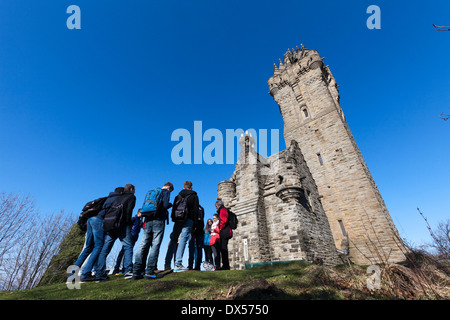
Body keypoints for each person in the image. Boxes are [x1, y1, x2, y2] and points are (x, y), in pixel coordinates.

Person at [73, 187, 124, 282]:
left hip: (90, 220)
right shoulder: (117, 199)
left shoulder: (107, 197)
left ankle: (72, 274)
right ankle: (85, 274)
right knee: (98, 246)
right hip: (99, 221)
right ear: (121, 192)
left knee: (88, 248)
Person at [95, 184, 137, 281]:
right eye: (134, 189)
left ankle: (99, 274)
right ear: (131, 189)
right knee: (128, 246)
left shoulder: (118, 197)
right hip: (122, 225)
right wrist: (128, 223)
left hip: (111, 224)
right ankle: (128, 271)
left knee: (105, 249)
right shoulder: (131, 197)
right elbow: (128, 211)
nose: (135, 191)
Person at [132, 182, 174, 280]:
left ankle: (136, 271)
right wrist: (170, 205)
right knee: (155, 244)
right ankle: (150, 271)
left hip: (148, 220)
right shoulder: (165, 192)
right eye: (171, 190)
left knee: (143, 244)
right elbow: (165, 205)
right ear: (169, 187)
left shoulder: (152, 192)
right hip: (158, 220)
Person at [168, 181, 199, 272]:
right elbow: (196, 211)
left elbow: (174, 208)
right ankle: (178, 264)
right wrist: (195, 224)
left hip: (178, 219)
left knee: (174, 239)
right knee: (183, 240)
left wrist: (173, 218)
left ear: (184, 187)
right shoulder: (194, 196)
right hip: (188, 219)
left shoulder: (178, 196)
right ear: (191, 187)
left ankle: (167, 263)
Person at [113, 209, 144, 274]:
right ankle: (116, 268)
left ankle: (125, 268)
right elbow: (128, 225)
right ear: (139, 213)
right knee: (122, 252)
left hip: (134, 238)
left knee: (128, 253)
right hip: (130, 237)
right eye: (142, 213)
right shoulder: (134, 218)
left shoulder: (140, 221)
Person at [215, 200, 232, 270]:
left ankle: (226, 266)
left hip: (225, 232)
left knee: (223, 248)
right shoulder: (223, 209)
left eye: (216, 206)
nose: (216, 208)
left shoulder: (223, 209)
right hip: (225, 231)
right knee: (223, 248)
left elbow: (223, 220)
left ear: (219, 205)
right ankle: (225, 265)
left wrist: (220, 228)